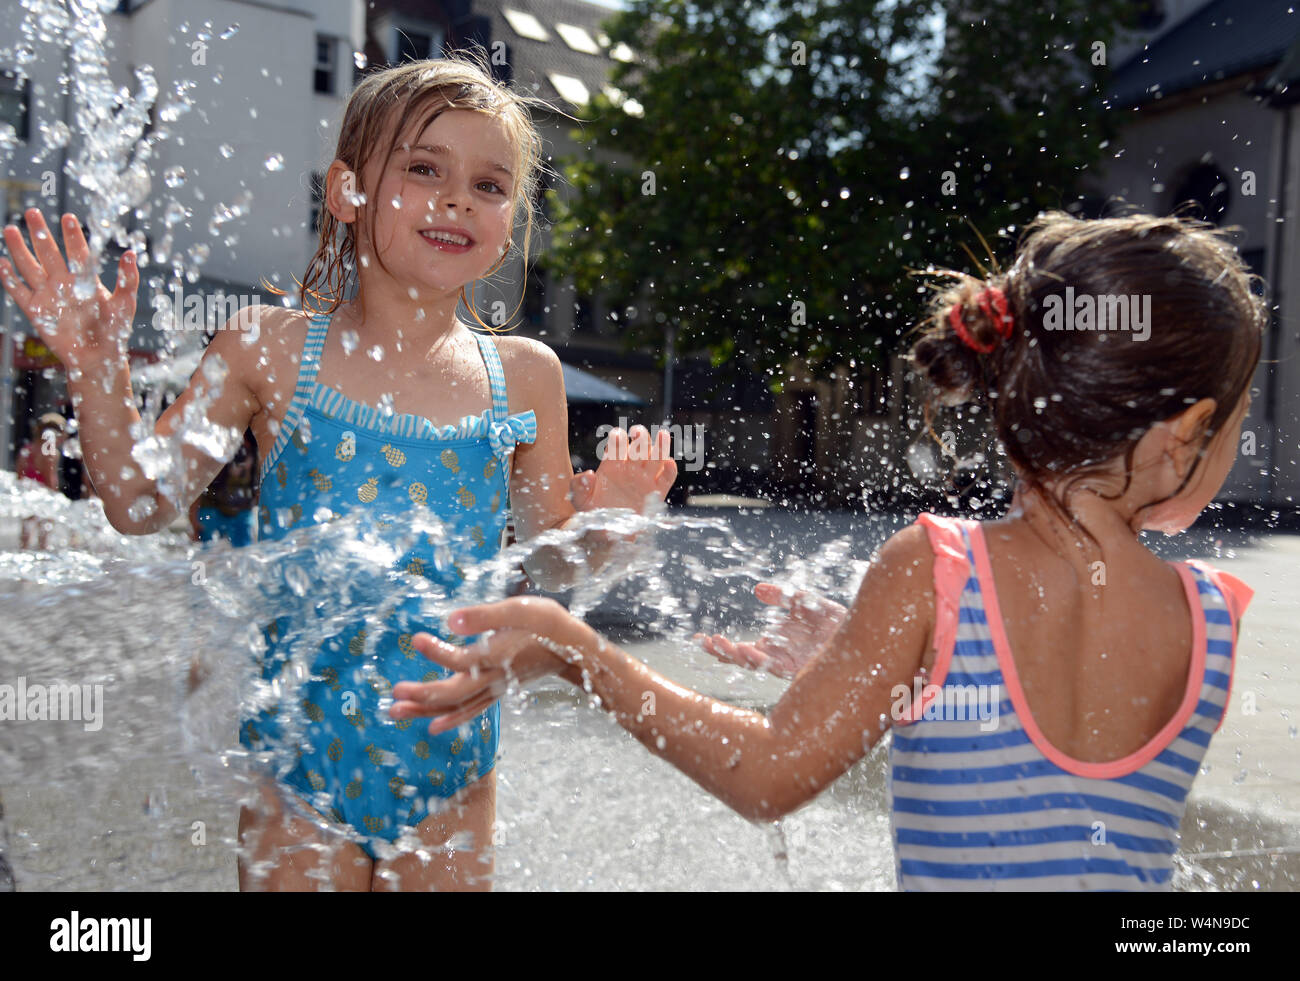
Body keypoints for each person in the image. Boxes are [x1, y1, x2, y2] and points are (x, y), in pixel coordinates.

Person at [393, 211, 1263, 891]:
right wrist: (909, 676)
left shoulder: (937, 569)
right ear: (1184, 435)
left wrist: (573, 647)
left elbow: (767, 772)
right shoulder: (1212, 623)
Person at [0, 53, 676, 891]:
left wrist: (612, 517)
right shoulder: (268, 348)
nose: (458, 198)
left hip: (451, 762)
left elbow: (549, 562)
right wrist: (98, 370)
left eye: (491, 185)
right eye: (424, 168)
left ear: (514, 218)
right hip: (296, 761)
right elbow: (141, 500)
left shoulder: (526, 375)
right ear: (348, 191)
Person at [188, 429, 258, 547]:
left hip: (241, 511)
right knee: (208, 553)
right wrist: (193, 519)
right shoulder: (217, 445)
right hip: (212, 509)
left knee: (243, 553)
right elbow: (197, 483)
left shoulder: (256, 447)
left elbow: (259, 484)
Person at [16, 412, 67, 549]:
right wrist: (54, 496)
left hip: (28, 492)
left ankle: (23, 553)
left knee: (26, 530)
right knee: (44, 533)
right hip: (43, 494)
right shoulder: (50, 452)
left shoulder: (26, 450)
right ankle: (43, 560)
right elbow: (50, 478)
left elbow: (19, 476)